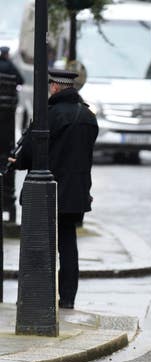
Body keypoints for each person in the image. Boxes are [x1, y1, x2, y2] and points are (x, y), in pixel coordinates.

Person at [12, 69, 98, 309]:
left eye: (51, 86)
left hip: (47, 189)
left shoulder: (49, 115)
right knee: (68, 244)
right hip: (76, 192)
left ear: (56, 88)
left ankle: (40, 296)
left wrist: (17, 162)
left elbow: (30, 152)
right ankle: (68, 298)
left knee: (41, 243)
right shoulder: (88, 117)